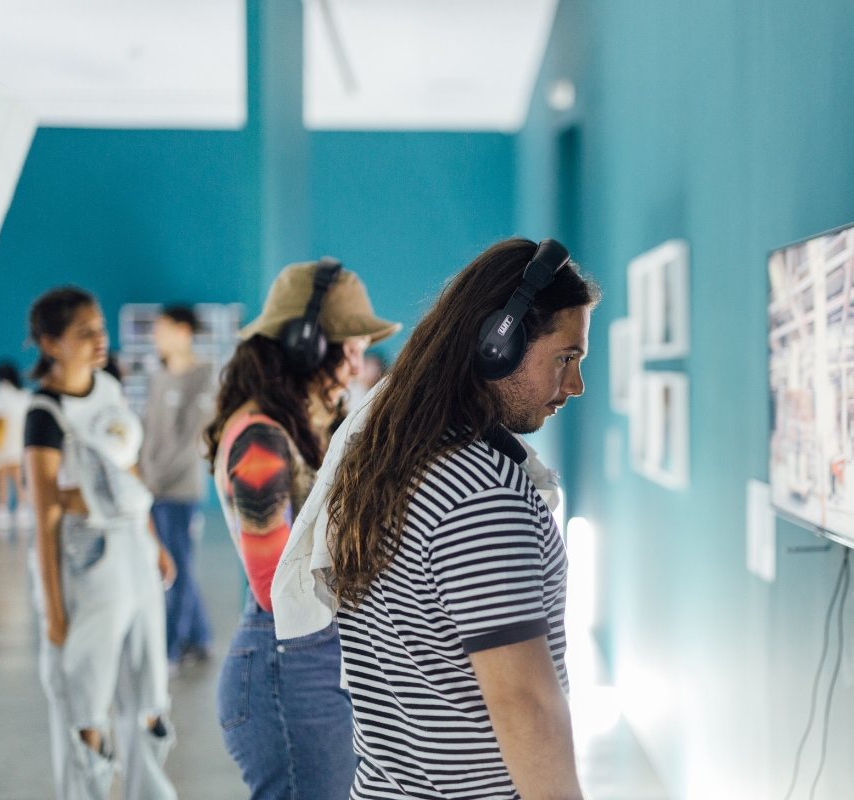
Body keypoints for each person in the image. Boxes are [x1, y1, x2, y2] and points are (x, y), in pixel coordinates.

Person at [325, 238, 598, 799]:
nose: (575, 385)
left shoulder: (388, 460)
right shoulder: (480, 495)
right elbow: (524, 706)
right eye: (566, 358)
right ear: (500, 344)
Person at [205, 260, 399, 799]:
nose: (358, 366)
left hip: (313, 655)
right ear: (308, 345)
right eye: (351, 348)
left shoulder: (303, 428)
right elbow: (274, 586)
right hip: (284, 667)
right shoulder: (259, 440)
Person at [23, 287, 179, 800]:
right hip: (85, 559)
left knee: (150, 689)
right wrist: (52, 607)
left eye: (101, 329)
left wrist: (153, 539)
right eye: (83, 332)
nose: (98, 340)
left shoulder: (110, 386)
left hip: (133, 545)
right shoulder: (45, 412)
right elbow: (43, 513)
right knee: (86, 698)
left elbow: (128, 467)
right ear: (50, 343)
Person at [139, 306, 214, 669]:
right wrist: (141, 475)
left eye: (162, 328)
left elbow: (192, 441)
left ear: (184, 331)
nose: (156, 335)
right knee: (174, 562)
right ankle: (200, 636)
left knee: (176, 567)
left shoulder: (205, 376)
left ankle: (170, 647)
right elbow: (148, 430)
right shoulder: (159, 375)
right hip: (151, 488)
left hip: (179, 492)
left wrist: (153, 479)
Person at [0, 360, 32, 531]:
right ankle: (22, 508)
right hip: (20, 437)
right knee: (18, 474)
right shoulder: (24, 393)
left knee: (0, 474)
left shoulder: (0, 390)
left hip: (4, 436)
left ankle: (1, 509)